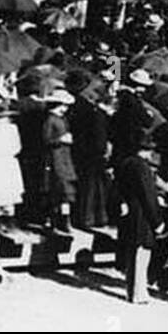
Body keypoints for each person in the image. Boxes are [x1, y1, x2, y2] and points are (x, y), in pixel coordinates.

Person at [117, 140, 162, 305]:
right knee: (141, 253)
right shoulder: (142, 167)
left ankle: (134, 290)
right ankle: (138, 293)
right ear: (146, 151)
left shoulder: (126, 163)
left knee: (133, 253)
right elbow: (148, 195)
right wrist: (157, 220)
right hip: (141, 215)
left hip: (129, 211)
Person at [68, 89, 109, 230]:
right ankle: (92, 218)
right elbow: (99, 138)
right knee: (94, 188)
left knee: (89, 187)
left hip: (86, 154)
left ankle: (87, 218)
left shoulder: (84, 113)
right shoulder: (98, 115)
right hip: (94, 155)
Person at [42, 89, 77, 232]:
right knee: (58, 189)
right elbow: (45, 139)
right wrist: (59, 140)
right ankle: (55, 220)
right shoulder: (50, 120)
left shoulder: (62, 119)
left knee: (66, 191)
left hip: (64, 157)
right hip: (55, 157)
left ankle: (64, 219)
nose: (65, 109)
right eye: (63, 105)